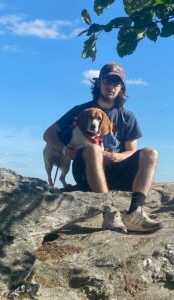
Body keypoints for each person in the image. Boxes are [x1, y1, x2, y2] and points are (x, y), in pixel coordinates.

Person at [43, 63, 162, 233]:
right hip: (86, 171)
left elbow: (131, 150)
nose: (111, 86)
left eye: (116, 82)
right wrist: (64, 150)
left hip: (114, 171)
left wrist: (116, 157)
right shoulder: (81, 111)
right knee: (94, 149)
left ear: (121, 88)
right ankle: (109, 213)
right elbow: (48, 134)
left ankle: (135, 212)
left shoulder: (127, 116)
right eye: (107, 80)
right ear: (99, 83)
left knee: (151, 153)